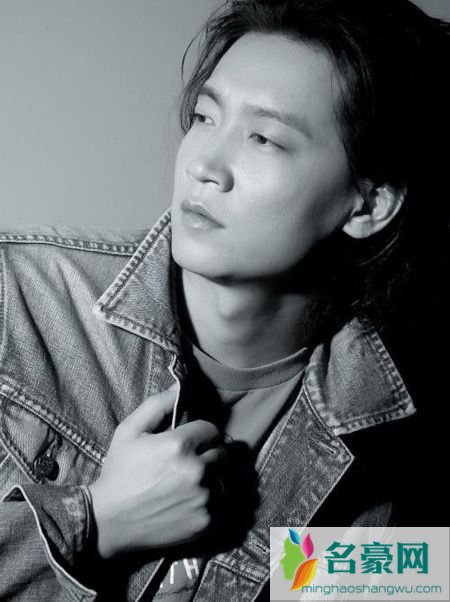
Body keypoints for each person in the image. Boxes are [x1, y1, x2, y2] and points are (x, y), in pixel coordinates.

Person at [0, 0, 448, 600]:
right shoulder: (19, 300)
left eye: (263, 138)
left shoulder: (393, 438)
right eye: (205, 117)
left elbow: (412, 577)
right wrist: (98, 523)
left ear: (367, 206)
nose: (204, 164)